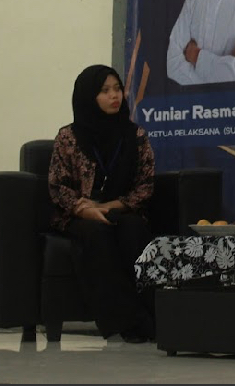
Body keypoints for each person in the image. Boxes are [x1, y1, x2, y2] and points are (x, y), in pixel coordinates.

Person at [48, 65, 157, 343]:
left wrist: (108, 207)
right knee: (97, 234)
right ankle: (130, 322)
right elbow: (58, 186)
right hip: (78, 216)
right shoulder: (68, 137)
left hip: (120, 209)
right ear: (88, 96)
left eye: (117, 89)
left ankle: (157, 314)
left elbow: (145, 185)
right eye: (105, 91)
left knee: (133, 229)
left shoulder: (135, 136)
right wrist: (84, 209)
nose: (114, 96)